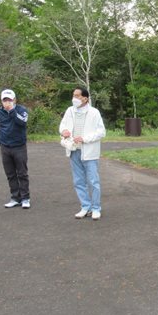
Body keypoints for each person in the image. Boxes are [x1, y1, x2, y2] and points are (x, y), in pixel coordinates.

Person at [59, 87, 106, 220]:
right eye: (73, 95)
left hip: (89, 152)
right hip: (74, 150)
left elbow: (101, 132)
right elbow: (63, 125)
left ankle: (96, 208)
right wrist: (64, 131)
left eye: (77, 96)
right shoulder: (70, 111)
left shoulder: (94, 112)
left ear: (85, 98)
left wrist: (84, 139)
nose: (74, 98)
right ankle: (85, 207)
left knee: (93, 181)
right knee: (78, 181)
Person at [0, 89, 31, 209]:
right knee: (10, 174)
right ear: (1, 101)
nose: (7, 102)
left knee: (22, 173)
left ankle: (25, 198)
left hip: (19, 147)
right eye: (4, 100)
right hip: (5, 147)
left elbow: (23, 122)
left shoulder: (21, 110)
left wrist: (12, 111)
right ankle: (15, 198)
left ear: (14, 100)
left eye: (9, 100)